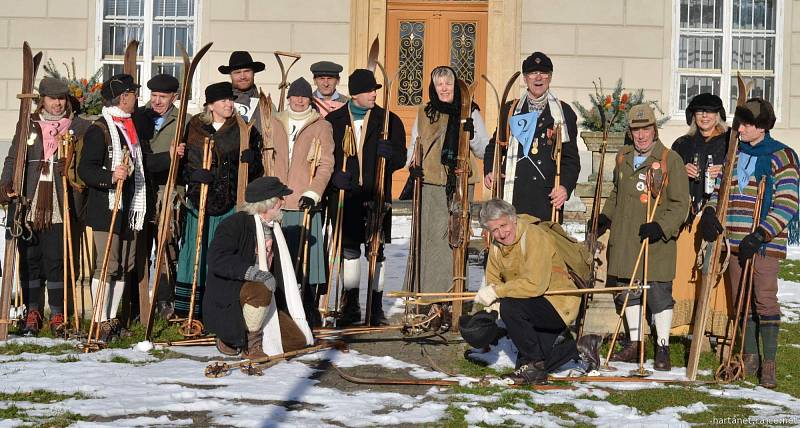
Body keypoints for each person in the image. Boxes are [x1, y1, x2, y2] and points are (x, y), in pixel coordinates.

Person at [700, 98, 799, 388]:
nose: (738, 129)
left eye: (744, 124)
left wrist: (761, 234)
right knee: (739, 302)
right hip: (733, 242)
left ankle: (769, 363)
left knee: (764, 299)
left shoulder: (783, 156)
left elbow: (788, 202)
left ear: (761, 126)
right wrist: (710, 213)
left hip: (763, 244)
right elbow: (720, 192)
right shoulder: (734, 153)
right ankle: (750, 356)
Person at [78, 74, 182, 341]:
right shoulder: (100, 128)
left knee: (125, 263)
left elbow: (142, 164)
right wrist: (111, 177)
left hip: (131, 207)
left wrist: (169, 156)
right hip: (107, 209)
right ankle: (100, 321)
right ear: (123, 97)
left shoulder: (128, 126)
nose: (139, 98)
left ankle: (112, 320)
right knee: (107, 264)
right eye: (134, 93)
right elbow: (86, 169)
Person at [595, 104, 689, 370]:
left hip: (655, 241)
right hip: (625, 239)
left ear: (654, 129)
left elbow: (681, 204)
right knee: (627, 292)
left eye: (646, 128)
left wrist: (661, 226)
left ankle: (662, 347)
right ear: (630, 132)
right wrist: (605, 217)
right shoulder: (623, 157)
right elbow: (616, 193)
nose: (641, 135)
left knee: (658, 294)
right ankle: (635, 344)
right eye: (636, 130)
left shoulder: (670, 160)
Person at [473, 199, 600, 385]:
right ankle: (579, 347)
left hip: (557, 303)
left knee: (510, 306)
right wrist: (492, 303)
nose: (501, 233)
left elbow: (534, 285)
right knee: (530, 368)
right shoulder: (496, 246)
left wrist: (497, 293)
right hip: (531, 305)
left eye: (503, 225)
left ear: (513, 219)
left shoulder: (533, 236)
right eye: (494, 230)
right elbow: (493, 280)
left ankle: (536, 361)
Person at [0, 77, 91, 335]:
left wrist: (71, 167)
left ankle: (58, 311)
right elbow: (12, 157)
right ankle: (32, 310)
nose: (57, 103)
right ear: (43, 100)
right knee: (30, 257)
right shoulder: (28, 125)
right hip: (29, 200)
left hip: (59, 202)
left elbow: (86, 163)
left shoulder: (79, 127)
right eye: (52, 98)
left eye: (61, 98)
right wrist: (5, 184)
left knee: (56, 258)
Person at [174, 81, 263, 319]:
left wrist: (250, 160)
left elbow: (256, 170)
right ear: (210, 105)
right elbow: (181, 163)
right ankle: (191, 309)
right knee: (196, 251)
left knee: (223, 252)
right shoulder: (194, 128)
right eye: (223, 101)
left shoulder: (244, 129)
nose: (228, 105)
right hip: (199, 200)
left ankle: (222, 306)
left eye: (230, 100)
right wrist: (193, 175)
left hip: (230, 201)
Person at [325, 69, 407, 326]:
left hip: (376, 195)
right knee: (348, 251)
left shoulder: (388, 120)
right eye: (369, 90)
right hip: (346, 197)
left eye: (375, 90)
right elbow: (325, 158)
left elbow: (401, 157)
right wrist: (334, 177)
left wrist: (390, 154)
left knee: (376, 250)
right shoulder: (335, 120)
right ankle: (350, 306)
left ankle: (376, 307)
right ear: (355, 94)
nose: (374, 94)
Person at [204, 176, 315, 358]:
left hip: (266, 301)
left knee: (296, 342)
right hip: (233, 297)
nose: (283, 202)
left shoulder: (275, 228)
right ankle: (250, 344)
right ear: (268, 203)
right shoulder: (234, 224)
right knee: (260, 287)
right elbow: (217, 259)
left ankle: (252, 335)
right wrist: (253, 273)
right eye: (280, 198)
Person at [405, 66, 489, 294]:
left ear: (456, 85)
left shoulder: (469, 110)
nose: (444, 88)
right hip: (430, 184)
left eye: (448, 83)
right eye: (439, 83)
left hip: (460, 183)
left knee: (455, 239)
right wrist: (413, 166)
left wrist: (471, 135)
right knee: (430, 242)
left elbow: (483, 150)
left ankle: (453, 297)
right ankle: (428, 297)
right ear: (433, 86)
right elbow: (414, 144)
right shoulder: (425, 111)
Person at [482, 52, 580, 221]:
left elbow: (570, 159)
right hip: (514, 195)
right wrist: (490, 171)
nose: (538, 78)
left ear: (550, 77)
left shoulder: (564, 112)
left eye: (544, 73)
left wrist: (564, 187)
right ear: (525, 78)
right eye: (533, 73)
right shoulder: (510, 110)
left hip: (546, 198)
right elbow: (495, 147)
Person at [268, 77, 334, 327]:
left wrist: (314, 191)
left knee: (307, 261)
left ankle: (309, 307)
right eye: (295, 96)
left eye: (304, 96)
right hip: (277, 201)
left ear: (310, 99)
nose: (299, 100)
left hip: (304, 200)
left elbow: (326, 163)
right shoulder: (275, 122)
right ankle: (281, 308)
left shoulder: (320, 125)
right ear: (289, 98)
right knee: (278, 259)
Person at [670, 93, 731, 338]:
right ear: (693, 116)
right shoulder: (682, 144)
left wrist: (726, 170)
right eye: (700, 112)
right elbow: (667, 180)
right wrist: (680, 171)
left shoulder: (730, 142)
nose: (705, 116)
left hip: (718, 215)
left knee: (714, 273)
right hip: (688, 216)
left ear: (719, 115)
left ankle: (712, 326)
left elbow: (743, 173)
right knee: (686, 271)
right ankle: (683, 325)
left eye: (710, 111)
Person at [141, 73, 190, 319]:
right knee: (140, 247)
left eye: (163, 96)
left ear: (174, 97)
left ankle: (165, 301)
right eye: (154, 96)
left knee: (166, 247)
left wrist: (181, 156)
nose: (157, 101)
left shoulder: (184, 121)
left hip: (169, 194)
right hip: (142, 191)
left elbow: (190, 161)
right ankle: (138, 303)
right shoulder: (139, 117)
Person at [219, 50, 266, 128]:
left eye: (247, 71)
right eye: (237, 72)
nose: (243, 77)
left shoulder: (266, 106)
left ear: (253, 73)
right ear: (230, 75)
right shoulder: (220, 105)